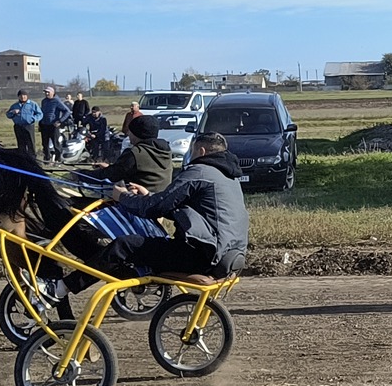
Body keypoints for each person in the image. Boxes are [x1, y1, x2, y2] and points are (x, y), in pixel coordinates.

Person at [100, 132, 250, 277]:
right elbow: (177, 207)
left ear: (201, 151)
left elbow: (152, 208)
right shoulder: (230, 177)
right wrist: (148, 195)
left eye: (192, 152)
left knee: (123, 244)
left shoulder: (199, 172)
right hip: (227, 254)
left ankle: (76, 285)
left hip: (203, 257)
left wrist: (122, 196)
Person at [84, 113, 175, 193]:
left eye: (130, 131)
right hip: (161, 199)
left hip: (140, 203)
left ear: (138, 134)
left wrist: (80, 174)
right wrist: (110, 167)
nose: (128, 133)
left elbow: (110, 175)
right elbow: (144, 170)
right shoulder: (165, 150)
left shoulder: (134, 153)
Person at [37, 85, 70, 164]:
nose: (46, 94)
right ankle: (47, 158)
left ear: (52, 93)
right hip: (44, 124)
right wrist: (40, 123)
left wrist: (60, 121)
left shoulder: (56, 101)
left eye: (48, 92)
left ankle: (58, 158)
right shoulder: (44, 101)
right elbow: (42, 113)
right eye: (45, 92)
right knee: (45, 143)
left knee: (56, 143)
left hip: (53, 125)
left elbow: (67, 111)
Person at [6, 90, 40, 155]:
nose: (23, 97)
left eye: (24, 95)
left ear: (27, 96)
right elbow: (8, 115)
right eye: (21, 96)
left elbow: (40, 114)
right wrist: (13, 112)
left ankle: (32, 158)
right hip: (18, 126)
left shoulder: (33, 104)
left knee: (31, 143)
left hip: (29, 126)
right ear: (18, 97)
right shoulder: (14, 105)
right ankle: (23, 158)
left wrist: (33, 119)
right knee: (21, 144)